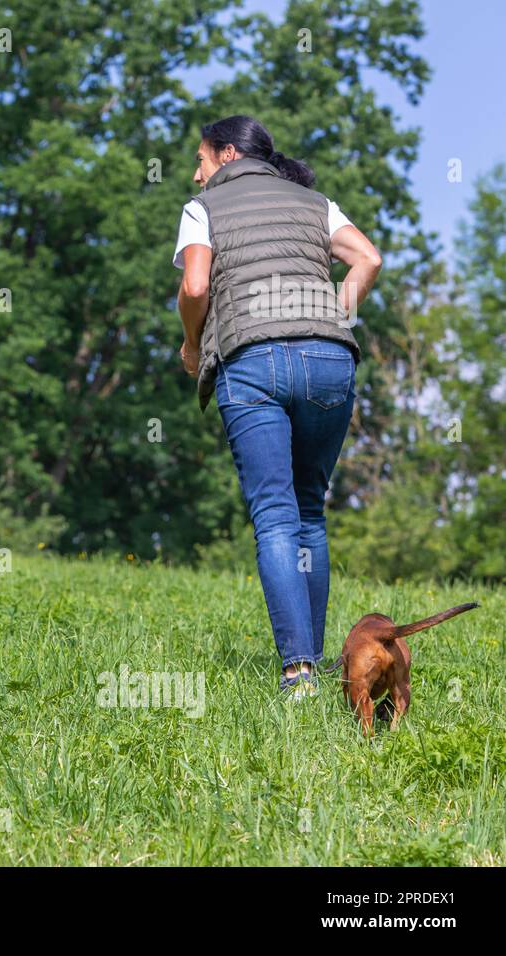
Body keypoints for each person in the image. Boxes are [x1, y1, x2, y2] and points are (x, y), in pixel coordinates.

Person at [174, 115, 383, 698]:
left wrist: (192, 344)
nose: (195, 173)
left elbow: (195, 288)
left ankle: (299, 673)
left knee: (274, 514)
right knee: (310, 510)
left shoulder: (204, 209)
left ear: (227, 155)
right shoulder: (315, 201)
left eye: (200, 159)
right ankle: (313, 662)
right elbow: (367, 258)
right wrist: (337, 314)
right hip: (329, 361)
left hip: (251, 361)